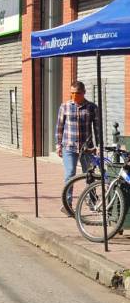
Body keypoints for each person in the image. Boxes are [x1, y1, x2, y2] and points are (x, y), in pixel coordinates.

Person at [56, 81, 100, 216]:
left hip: (87, 149)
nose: (74, 96)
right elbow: (59, 127)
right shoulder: (65, 107)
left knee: (89, 175)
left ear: (84, 93)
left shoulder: (92, 107)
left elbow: (97, 129)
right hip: (69, 147)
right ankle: (67, 204)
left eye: (77, 93)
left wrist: (98, 146)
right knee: (70, 174)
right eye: (72, 93)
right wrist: (58, 144)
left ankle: (92, 201)